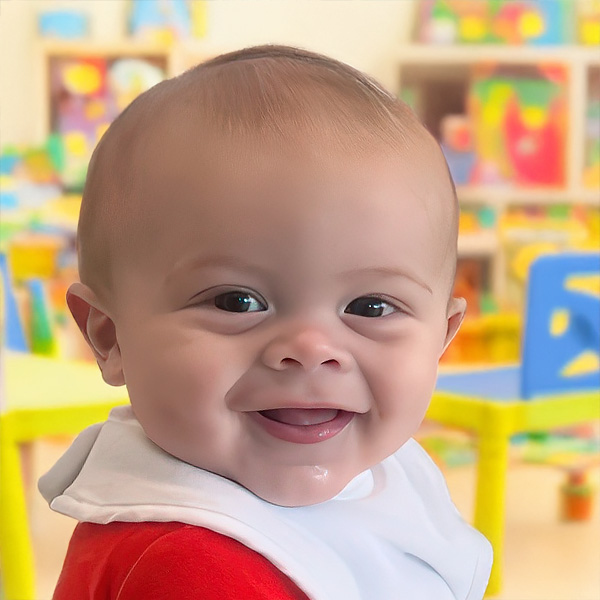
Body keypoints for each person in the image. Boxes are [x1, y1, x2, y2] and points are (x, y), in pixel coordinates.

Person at [40, 45, 492, 599]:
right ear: (110, 337)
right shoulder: (191, 567)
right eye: (236, 302)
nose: (310, 349)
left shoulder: (388, 470)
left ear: (441, 340)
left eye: (371, 307)